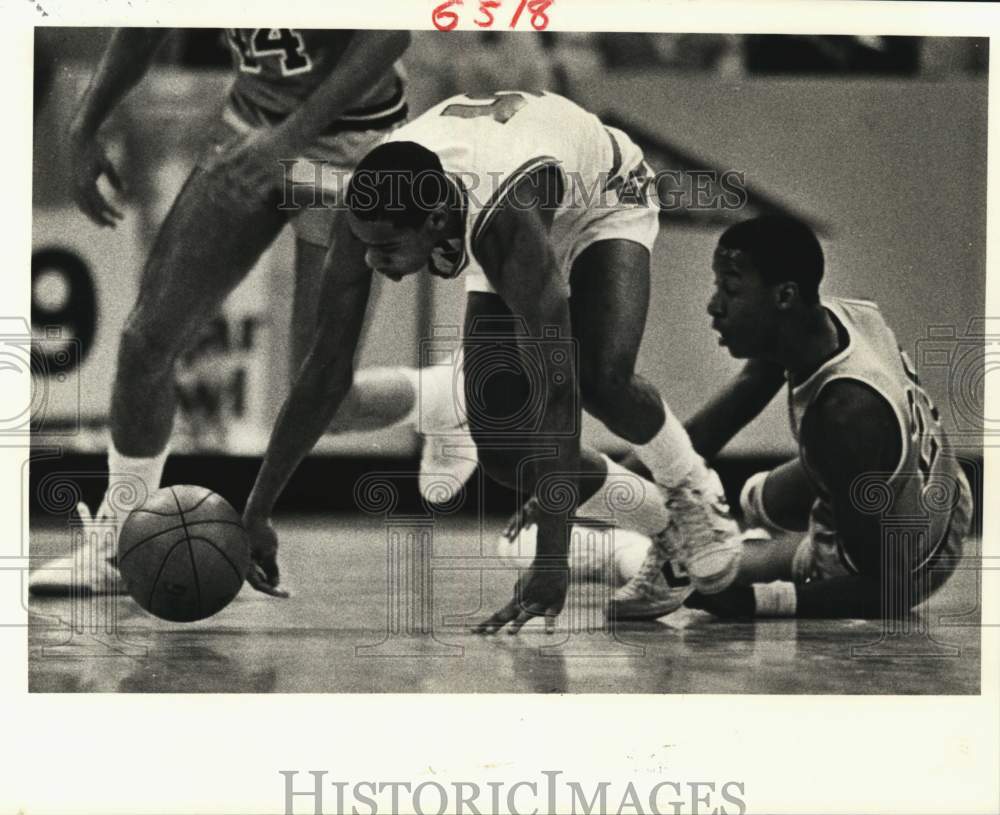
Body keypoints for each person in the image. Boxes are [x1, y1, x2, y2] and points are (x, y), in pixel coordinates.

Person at [240, 90, 744, 631]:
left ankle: (693, 486)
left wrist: (553, 561)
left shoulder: (503, 230)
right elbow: (323, 375)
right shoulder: (366, 211)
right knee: (504, 453)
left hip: (600, 194)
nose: (370, 260)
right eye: (365, 244)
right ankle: (663, 526)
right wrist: (257, 510)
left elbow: (558, 391)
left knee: (601, 380)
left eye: (385, 249)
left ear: (435, 221)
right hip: (501, 191)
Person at [30, 28, 477, 597]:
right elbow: (145, 24)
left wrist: (290, 139)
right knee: (147, 341)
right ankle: (120, 542)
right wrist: (85, 123)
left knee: (323, 399)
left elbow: (388, 32)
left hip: (354, 147)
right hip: (251, 127)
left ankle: (451, 400)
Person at [617, 215, 972, 620]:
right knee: (755, 498)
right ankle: (740, 545)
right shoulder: (828, 319)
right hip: (939, 490)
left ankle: (664, 553)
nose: (713, 305)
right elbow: (707, 430)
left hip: (912, 563)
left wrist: (758, 602)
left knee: (705, 580)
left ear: (784, 295)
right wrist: (607, 484)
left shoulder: (845, 415)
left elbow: (885, 588)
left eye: (729, 289)